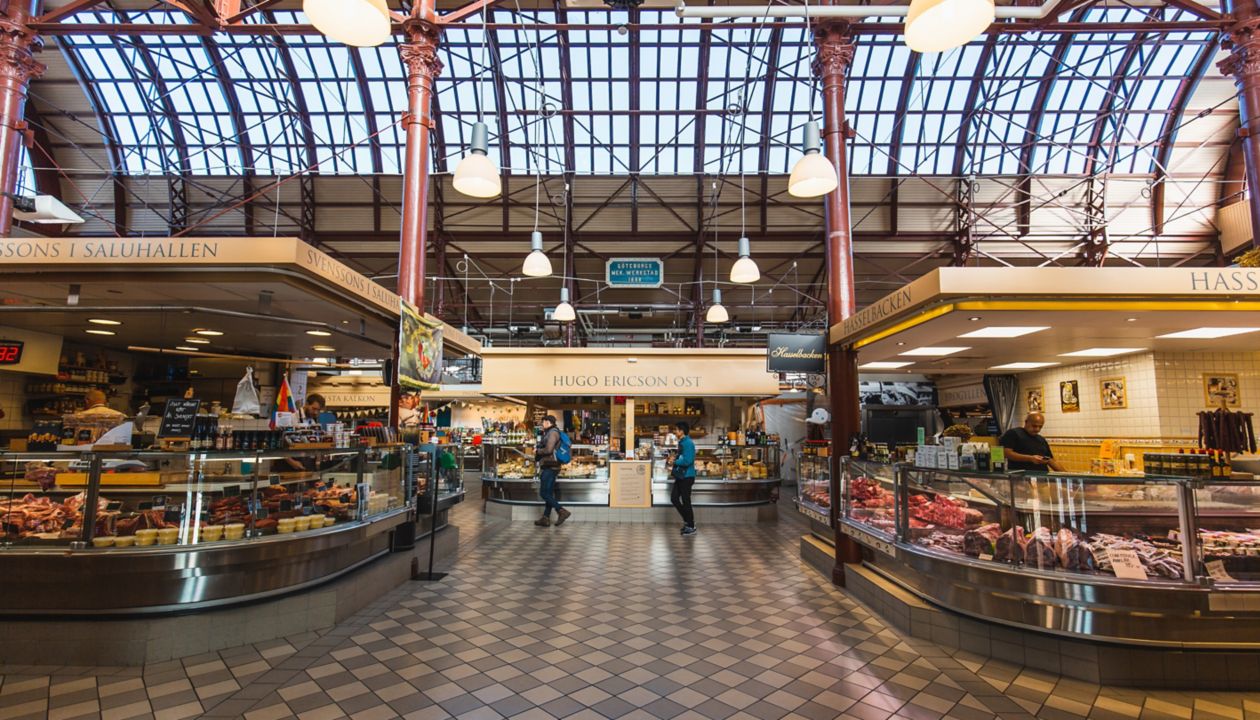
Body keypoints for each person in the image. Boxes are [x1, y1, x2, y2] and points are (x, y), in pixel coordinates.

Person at [534, 415, 570, 527]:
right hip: (551, 466)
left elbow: (549, 450)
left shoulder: (553, 433)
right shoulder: (550, 432)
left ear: (548, 422)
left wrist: (537, 451)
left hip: (550, 466)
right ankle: (545, 518)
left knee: (543, 493)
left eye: (543, 422)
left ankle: (562, 511)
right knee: (548, 493)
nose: (542, 424)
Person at [999, 412, 1065, 472]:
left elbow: (1050, 460)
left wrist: (1068, 475)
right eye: (1034, 426)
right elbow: (1006, 453)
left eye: (1040, 427)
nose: (1037, 429)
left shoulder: (1041, 439)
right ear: (1026, 422)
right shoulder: (1014, 433)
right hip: (1021, 478)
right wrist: (1030, 458)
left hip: (1041, 478)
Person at [671, 421, 697, 535]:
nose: (675, 432)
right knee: (674, 498)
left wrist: (674, 461)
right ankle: (687, 521)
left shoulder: (688, 443)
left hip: (687, 476)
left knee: (686, 501)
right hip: (681, 475)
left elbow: (688, 460)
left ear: (681, 431)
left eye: (676, 429)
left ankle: (690, 526)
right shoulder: (682, 442)